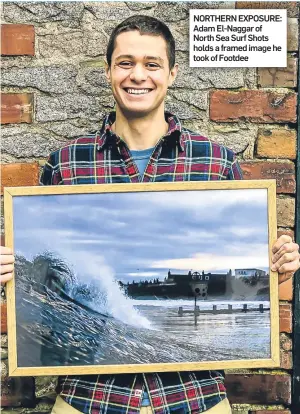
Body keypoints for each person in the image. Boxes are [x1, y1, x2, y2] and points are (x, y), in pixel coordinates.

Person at [1, 15, 299, 414]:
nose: (137, 75)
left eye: (151, 64)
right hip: (88, 399)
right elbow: (43, 280)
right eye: (125, 63)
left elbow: (245, 276)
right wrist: (11, 272)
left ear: (172, 73)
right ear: (108, 70)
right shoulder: (67, 162)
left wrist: (276, 269)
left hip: (196, 397)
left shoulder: (213, 160)